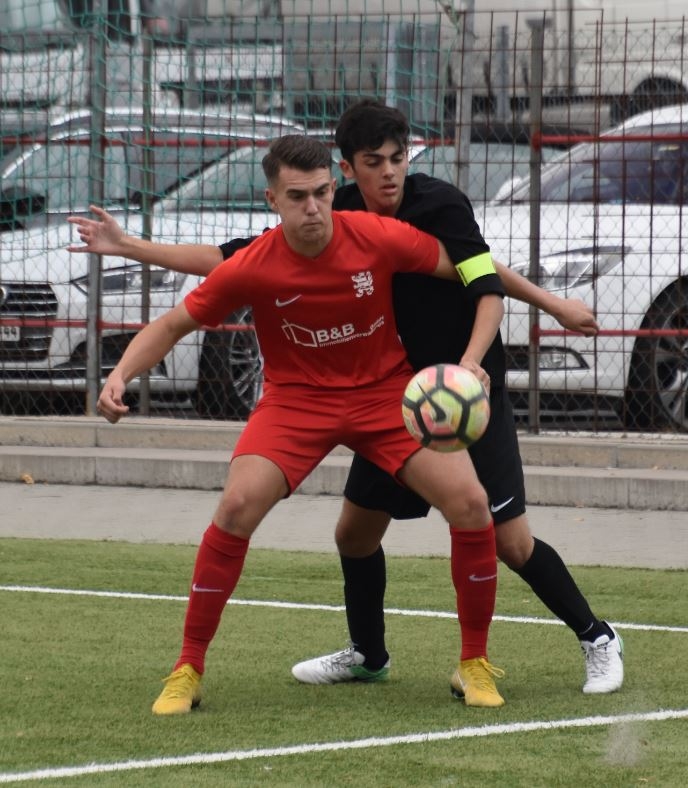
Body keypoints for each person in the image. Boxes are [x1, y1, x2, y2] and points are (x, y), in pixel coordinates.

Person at [69, 102, 624, 697]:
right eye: (372, 162)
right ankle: (345, 656)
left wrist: (537, 316)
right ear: (345, 172)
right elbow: (218, 270)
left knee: (498, 531)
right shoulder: (321, 220)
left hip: (453, 392)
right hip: (357, 397)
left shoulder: (430, 208)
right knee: (337, 531)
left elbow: (480, 274)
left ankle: (579, 640)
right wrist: (129, 266)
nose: (388, 172)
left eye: (397, 158)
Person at [94, 133, 508, 715]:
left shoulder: (377, 235)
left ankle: (474, 664)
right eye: (296, 196)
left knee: (470, 504)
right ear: (272, 200)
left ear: (334, 188)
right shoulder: (253, 265)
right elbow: (170, 326)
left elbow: (471, 268)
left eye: (321, 193)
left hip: (385, 397)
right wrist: (119, 375)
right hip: (296, 402)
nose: (312, 208)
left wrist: (531, 310)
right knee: (235, 507)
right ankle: (187, 668)